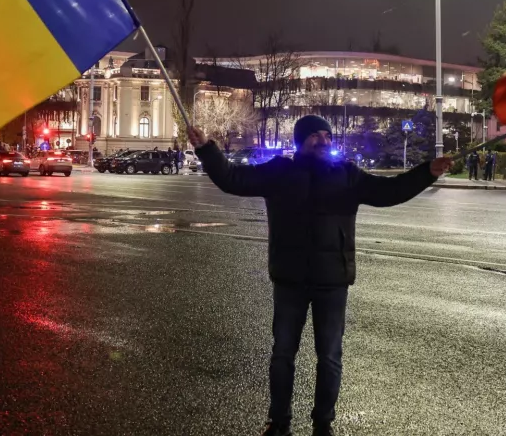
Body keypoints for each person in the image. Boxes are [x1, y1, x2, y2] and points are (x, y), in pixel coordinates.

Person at [189, 115, 452, 436]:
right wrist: (206, 149)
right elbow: (232, 178)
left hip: (333, 280)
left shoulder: (346, 174)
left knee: (329, 358)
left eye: (327, 135)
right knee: (283, 355)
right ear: (301, 141)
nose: (323, 140)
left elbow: (390, 191)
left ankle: (323, 424)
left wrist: (426, 173)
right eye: (315, 135)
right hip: (290, 279)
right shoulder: (278, 172)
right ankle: (279, 423)